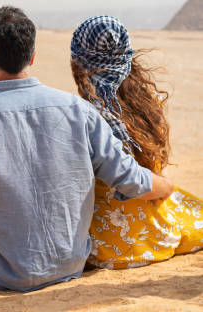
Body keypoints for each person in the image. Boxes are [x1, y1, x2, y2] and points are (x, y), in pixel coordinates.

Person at [0, 6, 174, 292]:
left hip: (1, 273)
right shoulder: (79, 111)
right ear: (32, 56)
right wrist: (168, 186)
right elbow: (130, 179)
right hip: (72, 263)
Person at [70, 15, 203, 269]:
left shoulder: (83, 115)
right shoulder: (150, 105)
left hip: (103, 246)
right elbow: (158, 173)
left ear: (78, 62)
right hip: (157, 236)